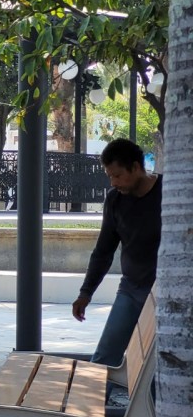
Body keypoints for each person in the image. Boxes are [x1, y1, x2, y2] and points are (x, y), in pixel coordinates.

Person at [72, 138, 161, 367]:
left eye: (118, 175)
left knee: (158, 364)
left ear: (136, 167)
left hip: (166, 293)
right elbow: (103, 251)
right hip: (131, 289)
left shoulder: (170, 194)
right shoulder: (114, 201)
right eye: (109, 176)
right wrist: (86, 293)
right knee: (104, 357)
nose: (113, 182)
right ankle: (88, 403)